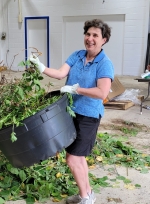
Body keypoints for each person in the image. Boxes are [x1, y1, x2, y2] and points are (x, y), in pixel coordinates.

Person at [30, 19, 113, 204]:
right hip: (70, 112)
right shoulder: (77, 55)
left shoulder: (104, 64)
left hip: (88, 116)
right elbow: (60, 74)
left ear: (104, 40)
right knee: (78, 158)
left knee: (72, 159)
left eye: (95, 36)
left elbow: (102, 93)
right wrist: (41, 67)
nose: (90, 39)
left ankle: (85, 199)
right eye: (88, 34)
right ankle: (87, 194)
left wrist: (77, 89)